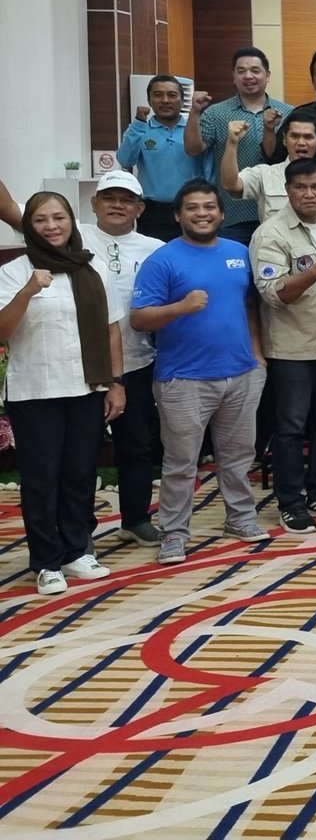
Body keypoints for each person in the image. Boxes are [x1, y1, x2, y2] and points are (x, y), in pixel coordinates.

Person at [130, 179, 270, 565]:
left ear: (221, 214)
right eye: (192, 207)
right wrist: (180, 308)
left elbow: (249, 306)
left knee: (239, 456)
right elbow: (139, 319)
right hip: (183, 379)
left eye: (209, 207)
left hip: (241, 374)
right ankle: (174, 534)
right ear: (178, 216)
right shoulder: (162, 259)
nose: (202, 213)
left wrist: (257, 356)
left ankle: (240, 519)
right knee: (181, 463)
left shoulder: (238, 252)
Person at [0, 191, 123, 593]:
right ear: (28, 227)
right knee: (41, 478)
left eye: (59, 217)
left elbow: (111, 329)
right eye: (40, 220)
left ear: (72, 221)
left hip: (86, 387)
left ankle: (75, 551)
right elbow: (2, 331)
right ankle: (46, 562)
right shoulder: (15, 271)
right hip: (35, 391)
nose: (51, 226)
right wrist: (27, 292)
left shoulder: (93, 267)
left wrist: (116, 382)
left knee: (80, 473)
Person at [250, 157, 316, 533]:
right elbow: (273, 293)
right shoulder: (270, 233)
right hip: (293, 348)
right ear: (288, 190)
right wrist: (315, 271)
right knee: (291, 427)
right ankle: (291, 502)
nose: (310, 194)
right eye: (301, 187)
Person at [78, 171, 164, 545]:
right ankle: (80, 528)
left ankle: (136, 518)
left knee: (138, 446)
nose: (117, 205)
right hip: (83, 367)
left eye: (126, 199)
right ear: (94, 203)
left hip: (138, 362)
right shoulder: (74, 236)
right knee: (82, 450)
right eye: (109, 197)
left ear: (140, 208)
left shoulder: (155, 248)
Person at [185, 46, 292, 242]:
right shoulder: (216, 113)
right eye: (241, 71)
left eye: (255, 70)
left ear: (268, 75)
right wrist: (195, 112)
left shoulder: (287, 112)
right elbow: (193, 149)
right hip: (234, 214)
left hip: (279, 212)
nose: (248, 76)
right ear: (233, 77)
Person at [116, 73, 206, 241]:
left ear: (182, 100)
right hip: (153, 211)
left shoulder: (196, 128)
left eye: (172, 95)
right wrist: (138, 123)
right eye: (158, 95)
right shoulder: (140, 128)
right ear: (149, 101)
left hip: (193, 207)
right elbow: (125, 160)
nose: (165, 100)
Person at [222, 112, 316, 225]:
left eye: (308, 137)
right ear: (285, 140)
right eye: (294, 136)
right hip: (274, 246)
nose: (301, 142)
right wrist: (232, 142)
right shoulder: (265, 174)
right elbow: (230, 184)